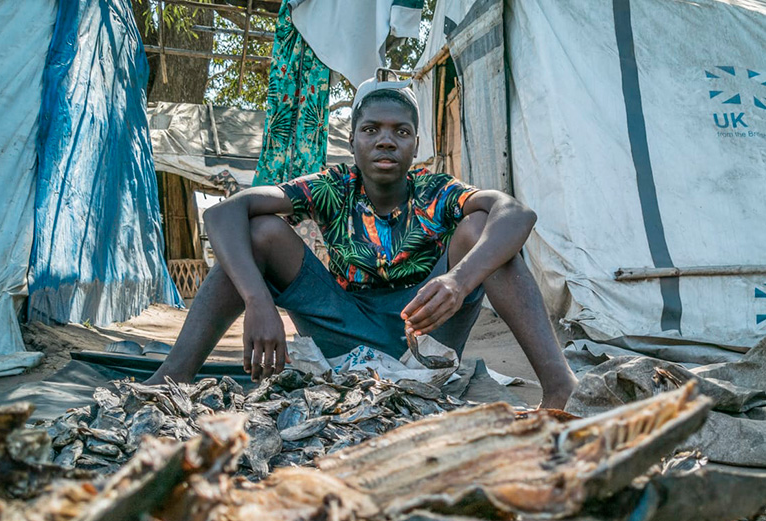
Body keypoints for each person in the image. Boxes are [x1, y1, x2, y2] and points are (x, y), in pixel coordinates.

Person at [147, 71, 577, 409]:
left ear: (415, 145)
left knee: (482, 227)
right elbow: (224, 212)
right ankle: (173, 375)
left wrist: (459, 281)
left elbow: (517, 213)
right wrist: (258, 301)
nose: (386, 139)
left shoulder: (437, 191)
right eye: (371, 129)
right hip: (343, 330)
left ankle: (560, 386)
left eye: (400, 132)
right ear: (351, 140)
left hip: (425, 333)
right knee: (260, 231)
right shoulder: (332, 187)